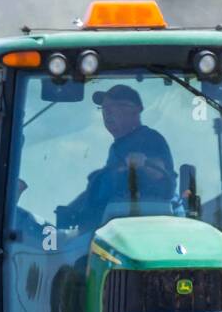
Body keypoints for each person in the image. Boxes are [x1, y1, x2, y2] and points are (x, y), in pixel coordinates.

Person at [57, 84, 175, 230]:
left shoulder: (149, 138)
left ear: (135, 110)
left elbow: (159, 173)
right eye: (105, 108)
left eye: (115, 107)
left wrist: (143, 162)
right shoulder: (117, 147)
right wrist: (71, 211)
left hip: (138, 226)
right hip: (105, 226)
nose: (108, 113)